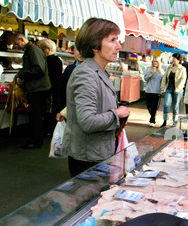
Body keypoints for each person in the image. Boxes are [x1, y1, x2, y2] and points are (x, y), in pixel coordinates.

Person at [61, 18, 130, 177]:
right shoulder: (86, 74)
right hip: (87, 158)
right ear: (94, 46)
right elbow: (88, 121)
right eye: (112, 40)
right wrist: (117, 114)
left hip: (98, 153)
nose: (118, 46)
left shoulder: (99, 71)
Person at [13, 32, 51, 149]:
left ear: (21, 39)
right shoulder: (32, 50)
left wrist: (22, 73)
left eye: (17, 43)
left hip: (37, 88)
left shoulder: (33, 50)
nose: (17, 46)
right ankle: (35, 139)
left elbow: (39, 69)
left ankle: (36, 140)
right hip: (37, 87)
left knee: (36, 115)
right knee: (36, 115)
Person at [38, 38, 63, 135]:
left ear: (47, 49)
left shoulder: (47, 61)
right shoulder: (58, 60)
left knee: (48, 109)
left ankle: (48, 129)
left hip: (49, 88)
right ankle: (50, 128)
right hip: (56, 88)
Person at [56, 46, 84, 122]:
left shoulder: (92, 71)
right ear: (74, 52)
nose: (80, 53)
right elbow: (62, 91)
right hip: (68, 112)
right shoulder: (69, 69)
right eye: (78, 50)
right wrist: (59, 110)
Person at [160, 52, 187, 127]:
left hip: (177, 89)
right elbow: (165, 77)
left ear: (178, 60)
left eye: (174, 58)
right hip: (169, 88)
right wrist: (163, 86)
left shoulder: (182, 69)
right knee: (166, 104)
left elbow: (183, 79)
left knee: (175, 106)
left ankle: (175, 121)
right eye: (172, 58)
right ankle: (165, 121)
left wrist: (178, 88)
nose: (173, 60)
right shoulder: (169, 67)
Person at [144, 56, 164, 126]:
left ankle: (152, 120)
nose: (155, 63)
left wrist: (163, 87)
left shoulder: (161, 71)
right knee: (148, 105)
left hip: (157, 91)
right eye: (154, 61)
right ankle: (153, 115)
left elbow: (163, 80)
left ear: (159, 63)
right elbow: (145, 79)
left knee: (154, 106)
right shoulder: (149, 69)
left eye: (156, 61)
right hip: (149, 90)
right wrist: (151, 73)